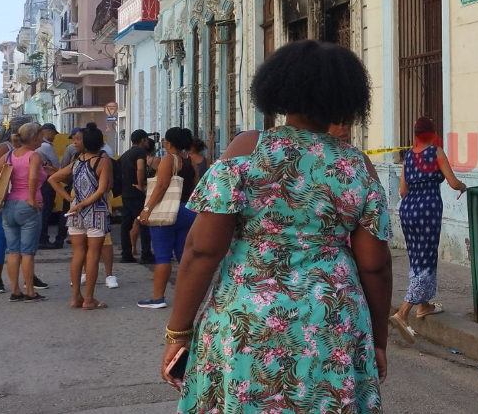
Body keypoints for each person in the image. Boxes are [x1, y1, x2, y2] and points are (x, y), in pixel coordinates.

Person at [159, 40, 392, 413]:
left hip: (248, 319)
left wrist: (179, 331)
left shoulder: (247, 149)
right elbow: (375, 265)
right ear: (346, 98)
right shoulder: (357, 165)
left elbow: (202, 250)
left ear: (278, 89)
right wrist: (378, 339)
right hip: (332, 319)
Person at [389, 116, 466, 342]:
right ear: (432, 135)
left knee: (416, 258)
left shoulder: (409, 157)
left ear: (415, 135)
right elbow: (452, 182)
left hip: (408, 211)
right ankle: (403, 312)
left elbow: (403, 191)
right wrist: (463, 187)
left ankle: (423, 305)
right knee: (427, 260)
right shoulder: (436, 153)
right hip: (428, 210)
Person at [48, 123, 113, 310]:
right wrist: (85, 204)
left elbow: (53, 179)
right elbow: (102, 189)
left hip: (75, 211)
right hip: (96, 212)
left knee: (77, 254)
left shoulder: (77, 161)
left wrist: (71, 199)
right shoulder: (103, 160)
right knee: (93, 255)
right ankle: (89, 299)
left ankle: (76, 296)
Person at [0, 121, 48, 302]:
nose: (42, 140)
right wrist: (30, 197)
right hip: (27, 207)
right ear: (35, 138)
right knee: (28, 252)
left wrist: (1, 192)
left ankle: (15, 290)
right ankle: (30, 291)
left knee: (13, 251)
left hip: (10, 204)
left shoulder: (11, 155)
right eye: (41, 137)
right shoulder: (33, 156)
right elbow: (33, 177)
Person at [137, 127, 197, 309]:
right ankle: (189, 297)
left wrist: (147, 209)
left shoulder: (169, 159)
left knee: (162, 256)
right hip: (188, 212)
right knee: (184, 256)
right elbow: (197, 186)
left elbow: (161, 185)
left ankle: (158, 298)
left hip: (168, 212)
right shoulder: (190, 161)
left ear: (169, 143)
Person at [119, 130, 154, 264]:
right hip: (136, 192)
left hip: (126, 191)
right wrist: (141, 185)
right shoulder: (140, 152)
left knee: (126, 224)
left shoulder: (126, 154)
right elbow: (140, 168)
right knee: (144, 222)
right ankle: (146, 253)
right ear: (143, 140)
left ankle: (126, 253)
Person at [37, 123, 64, 249]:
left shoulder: (35, 146)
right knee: (45, 210)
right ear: (49, 132)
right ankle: (43, 238)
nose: (54, 137)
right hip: (46, 181)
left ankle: (38, 237)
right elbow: (56, 164)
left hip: (36, 182)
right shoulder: (46, 146)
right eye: (53, 134)